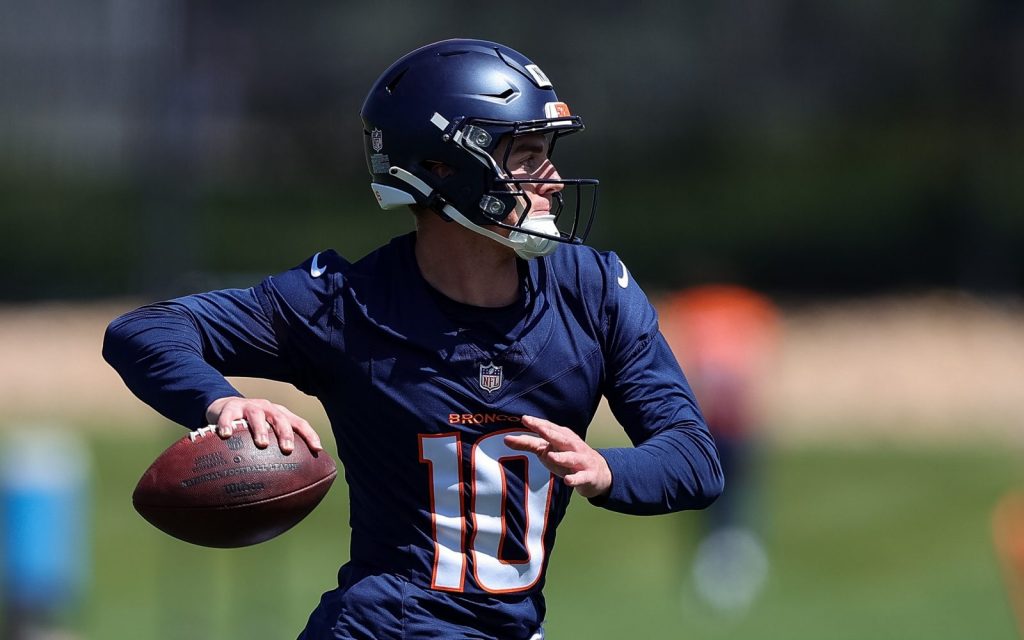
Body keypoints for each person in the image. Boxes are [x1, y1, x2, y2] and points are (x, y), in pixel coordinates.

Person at [103, 38, 723, 640]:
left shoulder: (592, 291)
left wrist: (604, 469)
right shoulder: (349, 303)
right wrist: (221, 401)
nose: (553, 180)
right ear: (439, 168)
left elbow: (695, 459)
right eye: (526, 156)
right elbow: (145, 331)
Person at [659, 285, 779, 614]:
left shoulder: (731, 311)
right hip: (710, 427)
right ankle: (716, 565)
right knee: (713, 504)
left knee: (732, 503)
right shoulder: (714, 312)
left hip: (729, 427)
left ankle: (732, 565)